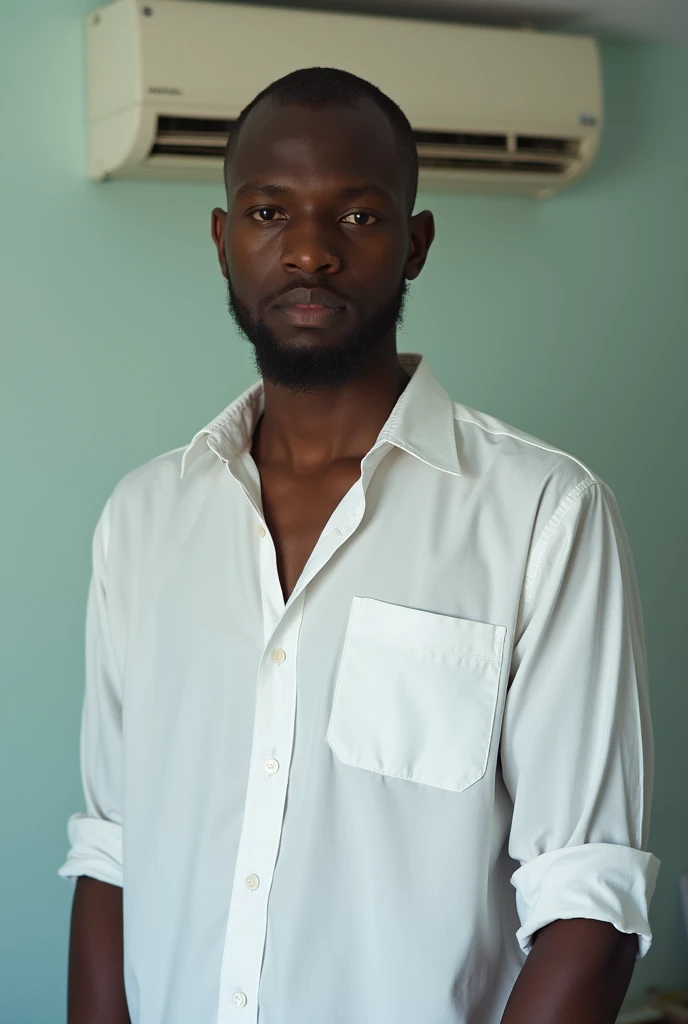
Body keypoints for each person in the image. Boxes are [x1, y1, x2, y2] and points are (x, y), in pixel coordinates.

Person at [60, 66, 659, 1024]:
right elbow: (112, 849)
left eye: (358, 217)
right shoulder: (142, 521)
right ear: (222, 241)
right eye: (267, 213)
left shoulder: (545, 511)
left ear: (415, 244)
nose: (308, 252)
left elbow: (587, 894)